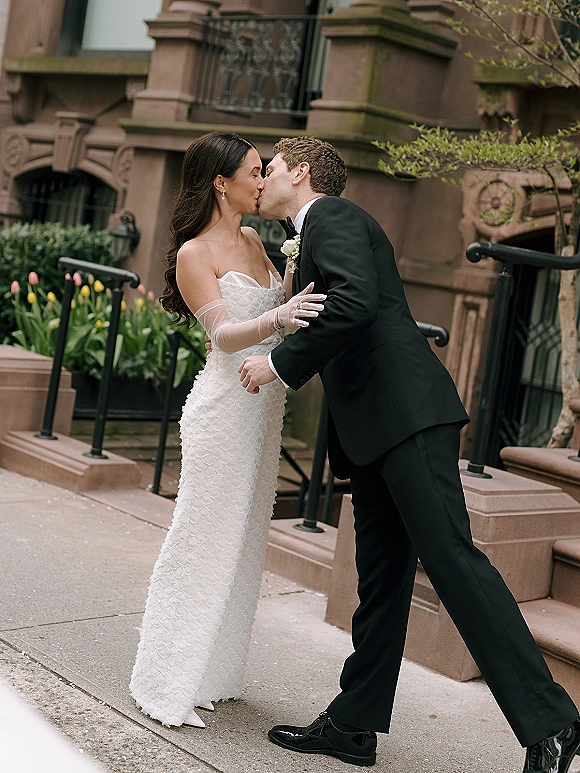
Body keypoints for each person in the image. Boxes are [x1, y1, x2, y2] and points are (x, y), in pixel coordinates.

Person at [238, 136, 580, 772]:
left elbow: (354, 302)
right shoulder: (304, 233)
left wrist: (281, 364)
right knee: (382, 579)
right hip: (371, 427)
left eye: (272, 168)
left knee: (452, 561)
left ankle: (553, 723)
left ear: (303, 173)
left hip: (406, 417)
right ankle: (354, 724)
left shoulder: (333, 216)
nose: (262, 179)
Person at [129, 131, 326, 729]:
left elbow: (284, 305)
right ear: (222, 182)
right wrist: (277, 314)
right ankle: (164, 680)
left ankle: (209, 673)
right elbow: (222, 335)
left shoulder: (255, 239)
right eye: (253, 171)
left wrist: (292, 286)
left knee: (240, 545)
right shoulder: (196, 253)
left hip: (263, 411)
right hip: (221, 410)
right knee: (202, 539)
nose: (263, 180)